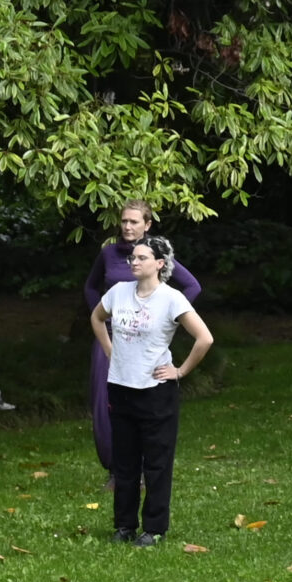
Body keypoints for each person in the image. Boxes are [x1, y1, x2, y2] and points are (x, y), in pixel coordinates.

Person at [89, 236, 216, 546]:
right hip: (121, 388)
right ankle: (124, 526)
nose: (134, 262)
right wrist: (110, 351)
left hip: (156, 392)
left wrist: (181, 371)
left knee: (157, 463)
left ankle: (154, 529)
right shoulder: (119, 292)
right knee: (125, 462)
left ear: (160, 264)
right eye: (133, 257)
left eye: (142, 258)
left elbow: (205, 339)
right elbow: (96, 318)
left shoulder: (171, 299)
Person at [83, 201, 202, 479]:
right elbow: (90, 287)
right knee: (104, 403)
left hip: (143, 340)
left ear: (147, 225)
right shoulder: (109, 254)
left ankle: (145, 469)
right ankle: (116, 469)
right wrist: (99, 315)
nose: (127, 226)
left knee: (145, 404)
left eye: (134, 222)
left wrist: (168, 320)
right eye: (124, 221)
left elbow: (192, 286)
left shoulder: (156, 254)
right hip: (111, 337)